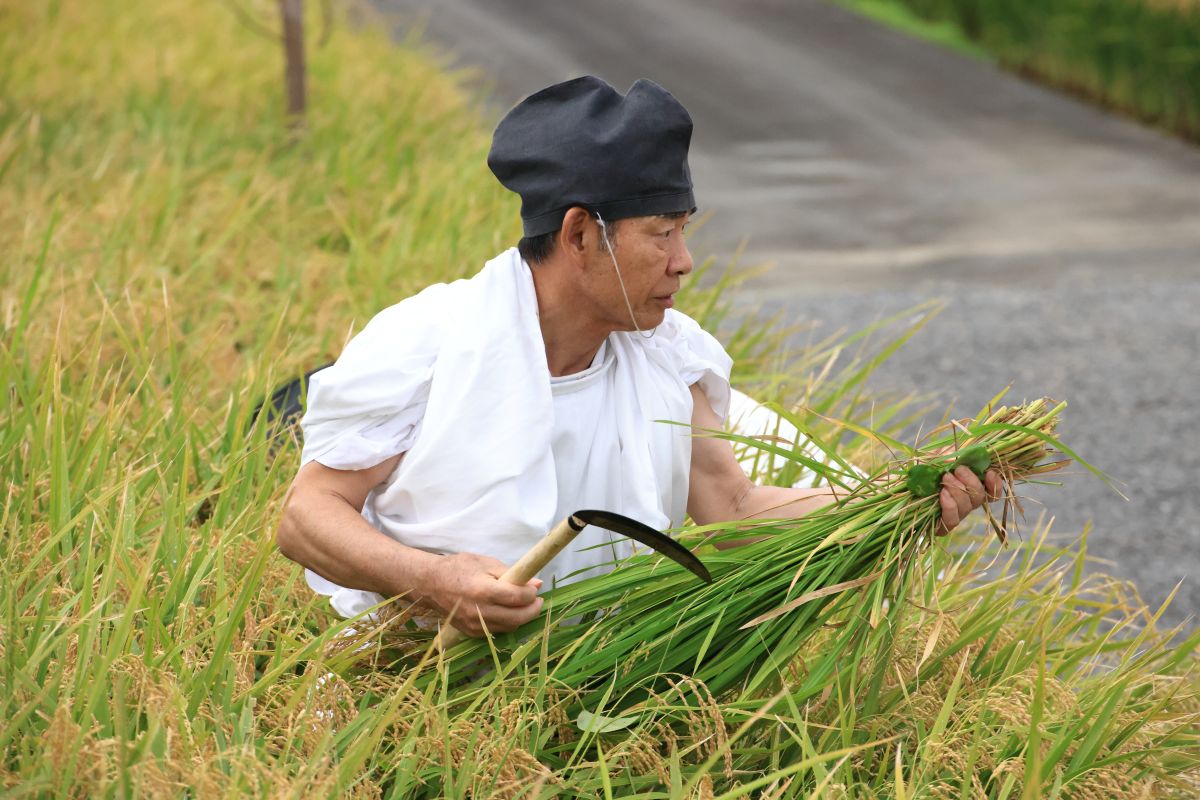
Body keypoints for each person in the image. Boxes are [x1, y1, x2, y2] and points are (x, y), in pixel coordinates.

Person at [275, 76, 1000, 639]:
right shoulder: (432, 341)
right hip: (418, 677)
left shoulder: (666, 356)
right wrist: (432, 581)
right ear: (580, 235)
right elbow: (307, 514)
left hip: (596, 679)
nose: (685, 262)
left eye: (684, 231)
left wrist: (897, 500)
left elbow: (732, 508)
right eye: (661, 233)